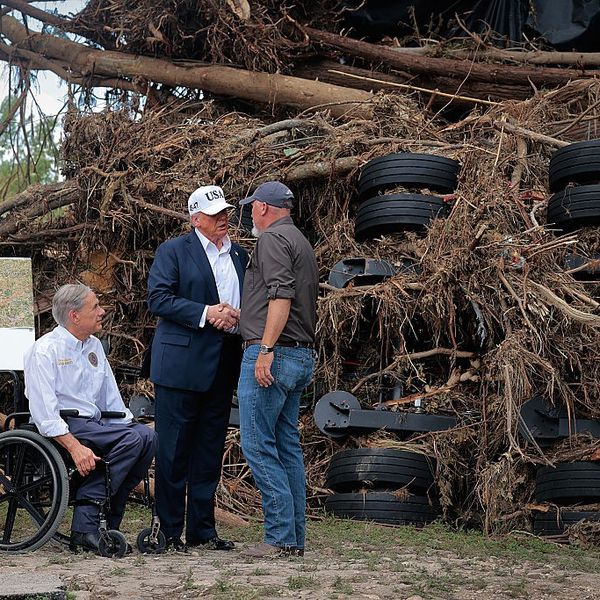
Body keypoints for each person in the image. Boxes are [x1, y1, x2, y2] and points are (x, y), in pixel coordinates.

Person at [147, 185, 248, 551]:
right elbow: (158, 298)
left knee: (208, 450)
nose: (224, 218)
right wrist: (208, 313)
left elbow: (244, 299)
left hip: (222, 364)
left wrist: (237, 318)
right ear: (195, 219)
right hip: (179, 367)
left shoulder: (239, 254)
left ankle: (203, 532)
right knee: (173, 452)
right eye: (215, 213)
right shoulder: (174, 251)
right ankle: (170, 532)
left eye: (225, 211)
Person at [23, 284, 157, 554]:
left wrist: (130, 423)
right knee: (133, 439)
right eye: (95, 307)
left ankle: (108, 523)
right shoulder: (44, 350)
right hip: (64, 427)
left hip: (95, 425)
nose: (102, 311)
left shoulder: (94, 346)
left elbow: (111, 400)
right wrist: (73, 446)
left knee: (147, 437)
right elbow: (44, 412)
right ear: (74, 316)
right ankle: (86, 525)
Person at [236, 181, 318, 558]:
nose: (250, 213)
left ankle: (280, 538)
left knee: (257, 443)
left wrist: (265, 348)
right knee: (287, 448)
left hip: (275, 355)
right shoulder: (300, 240)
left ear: (264, 209)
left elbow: (280, 297)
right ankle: (294, 540)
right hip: (300, 356)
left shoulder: (270, 240)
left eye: (252, 207)